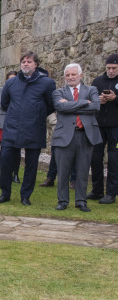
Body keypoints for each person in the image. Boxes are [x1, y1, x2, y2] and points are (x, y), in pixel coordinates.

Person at [0, 51, 56, 205]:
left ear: (36, 64)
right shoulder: (11, 83)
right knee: (5, 160)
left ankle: (25, 196)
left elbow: (50, 105)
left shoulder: (47, 83)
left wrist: (36, 114)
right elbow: (5, 104)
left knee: (31, 164)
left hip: (34, 128)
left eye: (29, 61)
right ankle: (5, 193)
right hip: (12, 128)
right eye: (23, 61)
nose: (25, 64)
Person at [51, 63, 101, 212]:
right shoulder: (58, 92)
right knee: (63, 172)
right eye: (67, 75)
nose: (70, 77)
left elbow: (96, 107)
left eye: (73, 74)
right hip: (64, 136)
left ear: (80, 75)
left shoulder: (91, 89)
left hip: (85, 135)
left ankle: (81, 201)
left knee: (83, 171)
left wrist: (71, 106)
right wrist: (85, 103)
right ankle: (62, 201)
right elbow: (60, 107)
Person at [89, 53, 118, 204]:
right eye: (108, 68)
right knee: (95, 157)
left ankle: (111, 193)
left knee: (114, 159)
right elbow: (90, 101)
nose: (111, 71)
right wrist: (98, 101)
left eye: (114, 68)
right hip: (99, 125)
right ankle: (97, 190)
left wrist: (115, 98)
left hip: (116, 128)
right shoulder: (98, 81)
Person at [0, 71, 20, 184]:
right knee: (4, 150)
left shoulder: (21, 90)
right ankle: (5, 173)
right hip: (4, 122)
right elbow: (2, 105)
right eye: (9, 79)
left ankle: (16, 174)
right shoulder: (2, 90)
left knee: (17, 149)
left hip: (18, 122)